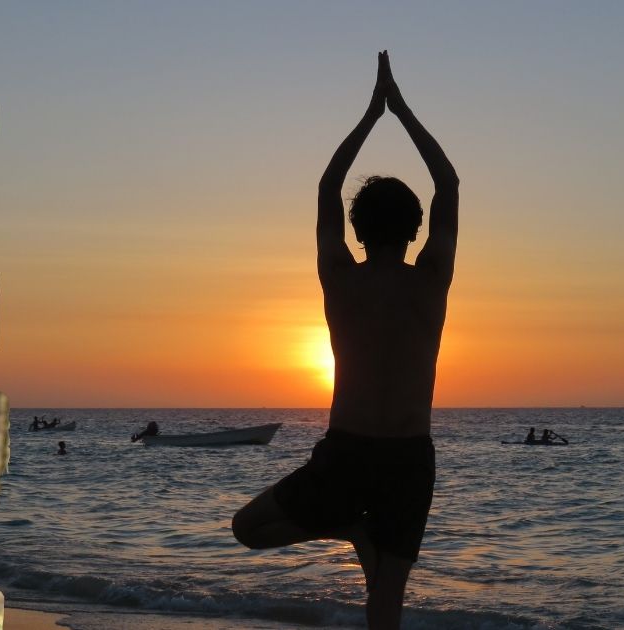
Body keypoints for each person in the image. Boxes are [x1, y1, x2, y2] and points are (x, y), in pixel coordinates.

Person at [230, 50, 458, 629]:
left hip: (350, 451)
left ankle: (346, 528)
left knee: (247, 529)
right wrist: (400, 111)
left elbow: (330, 185)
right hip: (408, 456)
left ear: (357, 230)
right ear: (414, 231)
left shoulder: (340, 276)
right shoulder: (431, 281)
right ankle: (354, 530)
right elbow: (447, 183)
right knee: (387, 599)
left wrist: (370, 115)